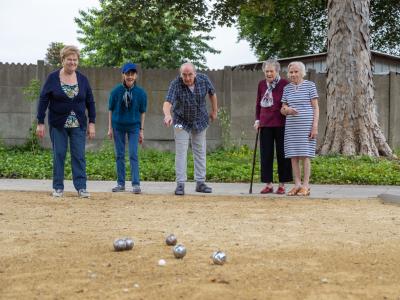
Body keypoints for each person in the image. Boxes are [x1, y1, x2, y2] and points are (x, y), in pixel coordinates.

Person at [36, 45, 96, 198]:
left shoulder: (82, 79)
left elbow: (90, 101)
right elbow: (43, 99)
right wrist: (40, 122)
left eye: (75, 59)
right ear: (62, 60)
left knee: (79, 155)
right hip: (58, 124)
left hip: (78, 125)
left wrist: (92, 123)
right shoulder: (52, 78)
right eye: (69, 59)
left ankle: (81, 187)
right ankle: (58, 187)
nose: (72, 62)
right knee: (59, 154)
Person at [163, 62, 218, 195]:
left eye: (190, 75)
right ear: (180, 74)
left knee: (199, 150)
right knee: (181, 151)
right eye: (184, 75)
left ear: (195, 73)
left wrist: (215, 111)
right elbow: (168, 102)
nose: (187, 78)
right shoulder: (175, 83)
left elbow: (212, 94)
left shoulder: (204, 79)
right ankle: (180, 184)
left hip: (201, 120)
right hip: (180, 121)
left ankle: (200, 183)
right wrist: (167, 115)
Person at [254, 59, 293, 194]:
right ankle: (268, 184)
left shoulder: (284, 84)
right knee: (266, 155)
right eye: (266, 71)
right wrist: (257, 120)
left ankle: (282, 184)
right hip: (265, 124)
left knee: (282, 154)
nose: (269, 73)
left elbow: (288, 102)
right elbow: (258, 104)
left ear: (277, 71)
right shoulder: (261, 85)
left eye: (271, 71)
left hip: (281, 124)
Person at [280, 61, 319, 196]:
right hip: (291, 126)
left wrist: (314, 126)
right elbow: (282, 108)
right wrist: (287, 110)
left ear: (302, 73)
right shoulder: (287, 88)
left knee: (305, 155)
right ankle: (297, 185)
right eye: (291, 72)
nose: (293, 74)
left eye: (296, 72)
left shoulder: (310, 86)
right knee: (293, 155)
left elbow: (315, 107)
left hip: (306, 125)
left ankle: (306, 186)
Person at [107, 62, 147, 194]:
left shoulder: (141, 93)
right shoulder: (115, 91)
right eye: (127, 74)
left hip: (134, 127)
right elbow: (110, 110)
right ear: (123, 75)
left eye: (132, 74)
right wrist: (110, 128)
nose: (130, 76)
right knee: (119, 155)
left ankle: (136, 184)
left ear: (136, 75)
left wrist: (141, 130)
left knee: (133, 154)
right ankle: (120, 183)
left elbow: (142, 112)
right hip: (118, 126)